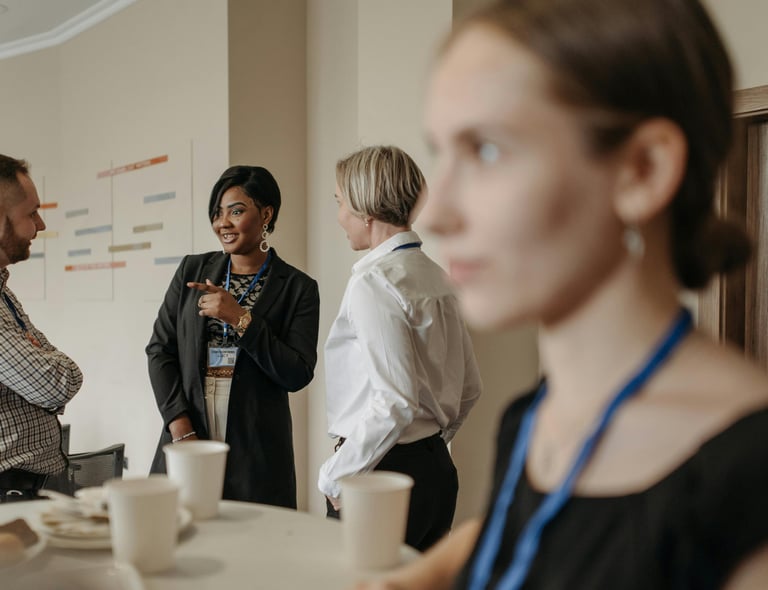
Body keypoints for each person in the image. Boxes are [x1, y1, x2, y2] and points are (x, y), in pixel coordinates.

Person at [354, 0, 768, 588]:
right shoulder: (537, 414)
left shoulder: (750, 478)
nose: (439, 212)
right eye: (443, 153)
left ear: (642, 170)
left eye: (488, 150)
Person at [319, 145, 482, 551]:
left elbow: (396, 400)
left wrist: (333, 474)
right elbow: (470, 388)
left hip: (376, 474)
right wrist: (430, 447)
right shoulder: (438, 278)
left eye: (340, 203)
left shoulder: (374, 282)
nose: (339, 216)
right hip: (435, 472)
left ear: (364, 209)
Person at [147, 165, 319, 509]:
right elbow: (160, 350)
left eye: (236, 211)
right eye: (217, 213)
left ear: (266, 214)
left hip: (257, 444)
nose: (222, 223)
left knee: (251, 544)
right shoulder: (192, 270)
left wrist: (241, 319)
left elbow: (297, 373)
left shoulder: (298, 287)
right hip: (190, 425)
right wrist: (181, 428)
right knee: (182, 539)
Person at [0, 154, 83, 502]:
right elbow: (56, 382)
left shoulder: (3, 292)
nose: (41, 224)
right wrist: (40, 352)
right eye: (31, 213)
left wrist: (37, 352)